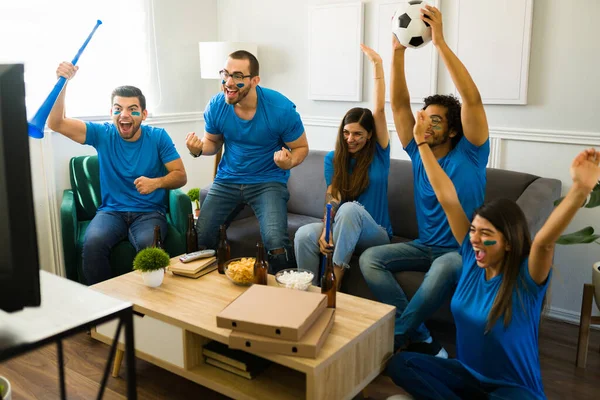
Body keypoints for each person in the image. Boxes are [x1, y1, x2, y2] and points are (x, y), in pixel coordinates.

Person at [387, 109, 600, 400]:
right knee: (401, 363)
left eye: (486, 235)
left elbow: (543, 243)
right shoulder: (471, 259)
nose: (475, 240)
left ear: (509, 242)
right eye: (473, 230)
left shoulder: (526, 279)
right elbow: (446, 195)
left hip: (513, 391)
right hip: (467, 377)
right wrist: (421, 144)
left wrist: (579, 190)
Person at [360, 4, 489, 357]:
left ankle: (395, 337)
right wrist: (397, 53)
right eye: (425, 118)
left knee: (446, 264)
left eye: (437, 121)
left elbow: (472, 99)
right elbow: (400, 106)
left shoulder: (472, 153)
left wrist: (441, 43)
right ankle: (420, 335)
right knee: (370, 258)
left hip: (461, 250)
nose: (427, 125)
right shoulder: (420, 151)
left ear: (453, 127)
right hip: (424, 245)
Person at [48, 62, 187, 285]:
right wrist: (62, 82)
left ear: (144, 114)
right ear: (111, 112)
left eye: (132, 109)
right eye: (117, 108)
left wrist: (157, 183)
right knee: (92, 244)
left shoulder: (158, 137)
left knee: (149, 248)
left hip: (149, 212)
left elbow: (180, 175)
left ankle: (151, 307)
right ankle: (106, 309)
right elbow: (55, 123)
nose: (124, 114)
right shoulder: (102, 133)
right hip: (111, 213)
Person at [186, 50, 308, 273]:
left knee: (276, 243)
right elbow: (213, 143)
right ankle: (213, 289)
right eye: (225, 73)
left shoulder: (280, 109)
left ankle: (286, 292)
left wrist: (288, 163)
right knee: (200, 235)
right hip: (227, 180)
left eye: (238, 76)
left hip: (268, 181)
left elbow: (301, 148)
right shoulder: (216, 105)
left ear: (254, 80)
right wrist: (199, 149)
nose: (228, 82)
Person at [294, 45, 392, 287]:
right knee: (304, 234)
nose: (350, 139)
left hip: (375, 232)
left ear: (370, 135)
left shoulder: (380, 153)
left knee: (350, 210)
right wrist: (327, 229)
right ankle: (307, 294)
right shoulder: (333, 158)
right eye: (347, 133)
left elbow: (379, 109)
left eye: (358, 134)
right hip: (343, 225)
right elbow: (333, 195)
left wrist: (378, 66)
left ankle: (331, 287)